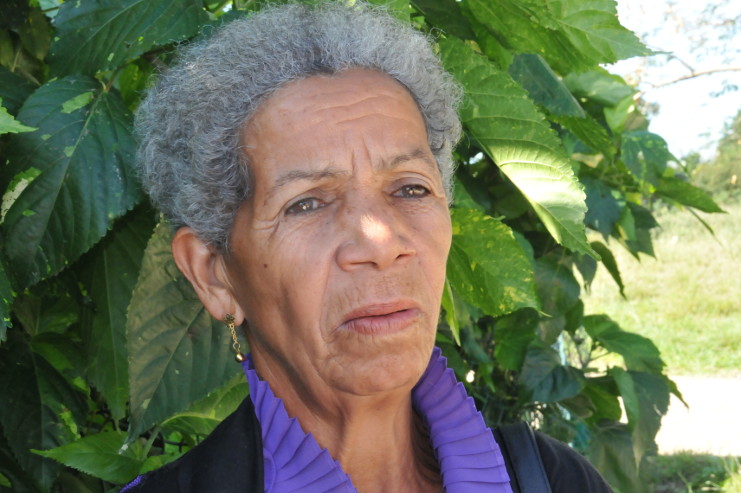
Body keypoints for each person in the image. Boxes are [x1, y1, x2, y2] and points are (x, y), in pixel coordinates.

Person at [123, 2, 613, 492]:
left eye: (410, 188)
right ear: (214, 275)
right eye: (306, 204)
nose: (380, 243)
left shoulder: (555, 479)